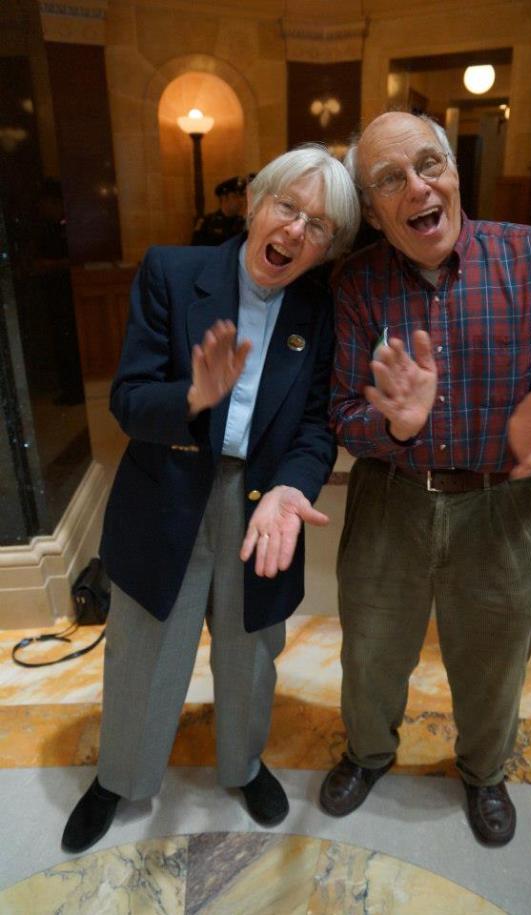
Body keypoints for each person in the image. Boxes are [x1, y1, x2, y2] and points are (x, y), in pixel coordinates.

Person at [61, 144, 359, 854]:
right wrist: (193, 396)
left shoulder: (319, 310)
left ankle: (243, 764)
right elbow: (129, 399)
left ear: (327, 249)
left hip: (261, 501)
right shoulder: (173, 271)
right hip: (168, 487)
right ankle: (119, 774)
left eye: (318, 226)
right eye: (287, 207)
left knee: (251, 645)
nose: (294, 231)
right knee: (143, 642)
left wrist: (290, 487)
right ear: (257, 203)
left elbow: (316, 424)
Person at [319, 111, 531, 846]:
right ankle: (368, 751)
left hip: (504, 502)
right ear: (375, 213)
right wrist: (398, 426)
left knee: (495, 657)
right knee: (371, 649)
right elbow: (344, 412)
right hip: (392, 502)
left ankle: (482, 770)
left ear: (452, 171)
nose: (417, 185)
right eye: (390, 179)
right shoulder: (355, 285)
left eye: (428, 163)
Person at [191, 175, 247, 246]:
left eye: (241, 196)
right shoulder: (208, 222)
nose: (240, 200)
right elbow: (196, 249)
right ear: (224, 198)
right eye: (235, 196)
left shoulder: (243, 223)